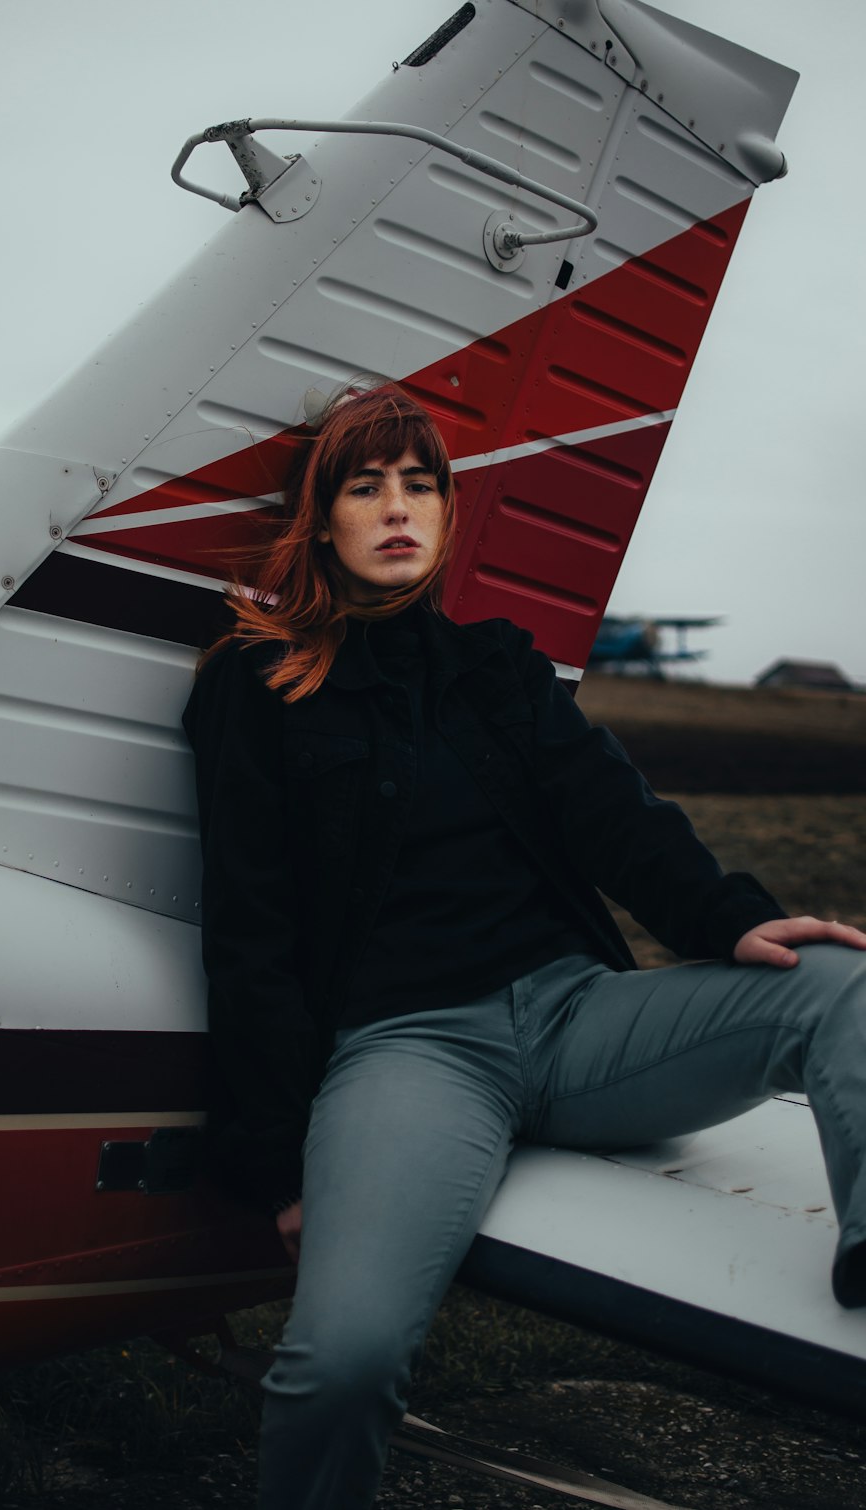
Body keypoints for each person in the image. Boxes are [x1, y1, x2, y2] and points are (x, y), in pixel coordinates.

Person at [182, 383, 866, 1510]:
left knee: (834, 978)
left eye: (420, 485)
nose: (397, 508)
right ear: (323, 520)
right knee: (338, 1362)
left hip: (577, 1019)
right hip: (410, 1054)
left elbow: (618, 819)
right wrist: (277, 1159)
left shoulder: (498, 669)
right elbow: (247, 931)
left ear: (449, 515)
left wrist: (728, 916)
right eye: (365, 487)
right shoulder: (253, 689)